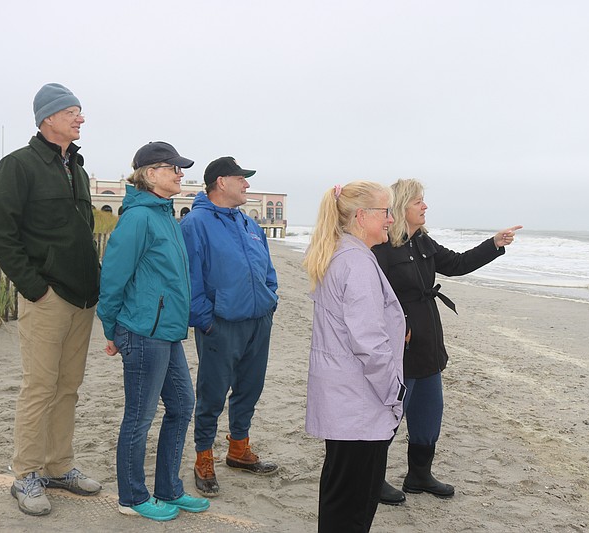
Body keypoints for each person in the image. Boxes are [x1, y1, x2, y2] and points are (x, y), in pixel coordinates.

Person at [0, 83, 101, 516]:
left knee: (68, 388)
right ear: (47, 118)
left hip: (83, 298)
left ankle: (59, 466)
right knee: (39, 387)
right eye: (72, 111)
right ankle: (26, 474)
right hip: (47, 297)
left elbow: (82, 234)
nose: (80, 118)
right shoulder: (17, 165)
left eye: (79, 111)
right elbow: (1, 234)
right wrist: (35, 287)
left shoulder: (78, 169)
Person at [371, 178, 522, 503]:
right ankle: (372, 479)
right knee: (390, 415)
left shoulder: (423, 243)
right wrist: (400, 324)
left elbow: (458, 264)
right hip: (399, 345)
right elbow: (374, 297)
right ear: (401, 208)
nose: (424, 207)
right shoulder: (381, 247)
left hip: (429, 341)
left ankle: (419, 475)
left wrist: (494, 243)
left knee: (429, 412)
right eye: (418, 202)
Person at [97, 142, 211, 521]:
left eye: (180, 168)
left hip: (166, 331)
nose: (180, 174)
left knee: (181, 406)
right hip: (143, 330)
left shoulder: (165, 214)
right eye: (173, 168)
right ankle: (131, 497)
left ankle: (168, 488)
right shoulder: (139, 218)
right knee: (140, 416)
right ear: (149, 174)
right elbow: (113, 276)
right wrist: (111, 328)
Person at [303, 182, 407, 533]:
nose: (391, 219)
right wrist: (395, 395)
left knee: (340, 496)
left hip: (345, 400)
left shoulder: (340, 253)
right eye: (386, 211)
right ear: (362, 216)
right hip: (359, 402)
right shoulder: (357, 263)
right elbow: (369, 343)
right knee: (352, 506)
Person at [180, 156, 280, 497]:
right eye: (242, 179)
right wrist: (207, 320)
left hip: (258, 320)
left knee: (250, 388)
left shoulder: (249, 224)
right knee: (212, 393)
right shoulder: (195, 224)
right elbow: (189, 280)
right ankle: (203, 457)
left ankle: (238, 449)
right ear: (221, 182)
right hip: (220, 325)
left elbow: (267, 268)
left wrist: (270, 299)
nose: (247, 185)